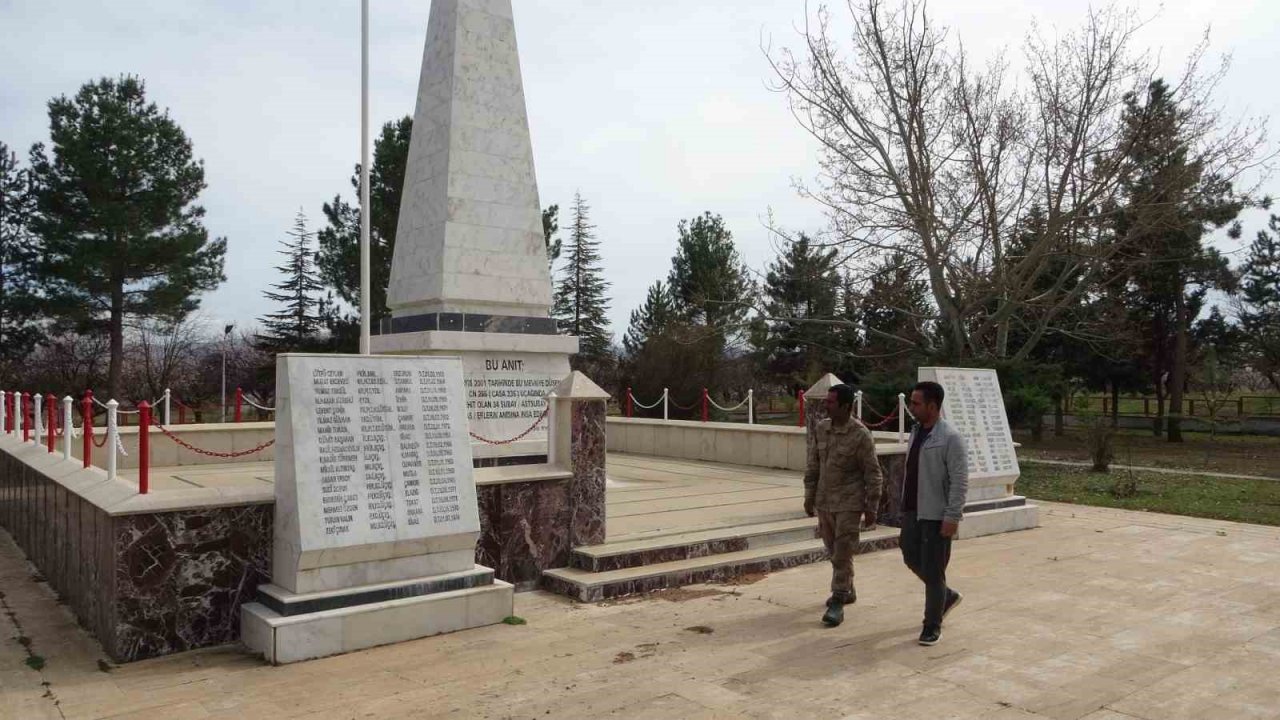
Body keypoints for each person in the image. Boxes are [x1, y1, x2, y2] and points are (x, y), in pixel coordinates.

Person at [804, 383, 883, 627]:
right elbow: (813, 464)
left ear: (846, 406)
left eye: (831, 402)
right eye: (826, 400)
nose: (826, 405)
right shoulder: (822, 428)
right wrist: (809, 494)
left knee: (842, 553)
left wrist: (872, 507)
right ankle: (848, 589)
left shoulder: (860, 435)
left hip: (849, 503)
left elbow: (873, 473)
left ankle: (838, 600)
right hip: (825, 502)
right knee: (833, 551)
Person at [900, 381, 969, 646]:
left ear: (932, 405)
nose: (911, 407)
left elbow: (959, 480)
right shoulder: (916, 432)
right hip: (912, 510)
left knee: (934, 569)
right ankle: (946, 596)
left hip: (936, 514)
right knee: (909, 554)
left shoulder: (950, 437)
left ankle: (932, 624)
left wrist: (952, 516)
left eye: (916, 403)